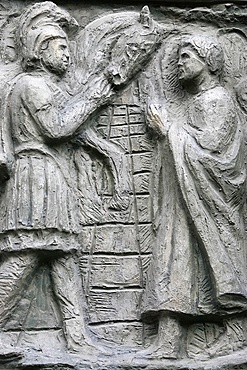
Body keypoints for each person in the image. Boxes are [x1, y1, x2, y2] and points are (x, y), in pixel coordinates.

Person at [0, 1, 115, 356]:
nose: (67, 54)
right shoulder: (31, 85)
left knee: (63, 257)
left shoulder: (43, 85)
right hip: (35, 176)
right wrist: (95, 96)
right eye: (61, 47)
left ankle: (78, 339)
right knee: (26, 258)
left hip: (50, 175)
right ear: (41, 48)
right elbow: (57, 127)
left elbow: (68, 124)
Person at [141, 35, 247, 358]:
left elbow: (213, 154)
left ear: (209, 62)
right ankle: (169, 339)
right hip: (183, 200)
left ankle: (238, 330)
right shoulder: (196, 103)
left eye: (186, 56)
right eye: (177, 59)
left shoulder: (216, 101)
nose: (179, 64)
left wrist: (167, 128)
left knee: (205, 260)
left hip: (207, 201)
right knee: (174, 263)